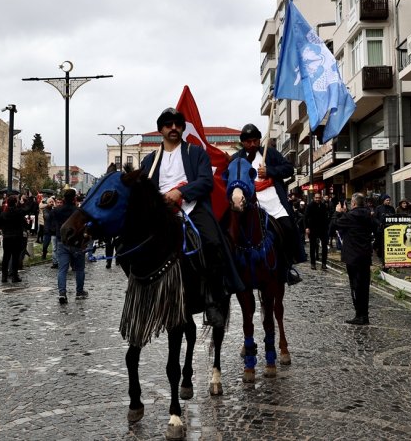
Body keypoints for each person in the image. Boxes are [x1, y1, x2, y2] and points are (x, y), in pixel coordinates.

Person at [140, 108, 244, 326]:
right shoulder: (149, 161)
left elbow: (206, 181)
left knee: (214, 242)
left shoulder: (196, 153)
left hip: (192, 207)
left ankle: (212, 299)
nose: (174, 128)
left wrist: (180, 192)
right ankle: (143, 296)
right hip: (160, 213)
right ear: (161, 129)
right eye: (168, 125)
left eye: (177, 124)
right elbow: (143, 190)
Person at [230, 123, 306, 283]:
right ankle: (232, 270)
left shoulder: (269, 153)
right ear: (243, 142)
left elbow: (289, 168)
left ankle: (286, 266)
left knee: (288, 228)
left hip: (272, 201)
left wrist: (270, 171)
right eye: (248, 141)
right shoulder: (236, 159)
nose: (252, 144)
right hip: (249, 202)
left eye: (255, 140)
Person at [332, 193, 374, 325]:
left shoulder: (350, 216)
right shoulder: (368, 214)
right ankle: (364, 314)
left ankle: (359, 315)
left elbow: (334, 225)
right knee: (364, 286)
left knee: (355, 285)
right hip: (365, 254)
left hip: (353, 255)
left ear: (354, 204)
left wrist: (337, 212)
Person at [53, 189, 87, 304]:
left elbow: (50, 220)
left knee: (62, 270)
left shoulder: (57, 210)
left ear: (63, 198)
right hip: (77, 243)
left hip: (62, 242)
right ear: (74, 199)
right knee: (80, 269)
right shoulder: (79, 211)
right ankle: (79, 291)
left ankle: (62, 293)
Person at [0, 195, 28, 283]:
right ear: (15, 202)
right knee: (15, 257)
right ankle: (14, 276)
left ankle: (4, 277)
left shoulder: (4, 214)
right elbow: (24, 223)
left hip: (7, 237)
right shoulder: (19, 212)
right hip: (17, 237)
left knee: (6, 257)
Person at [305, 192, 330, 270]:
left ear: (321, 198)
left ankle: (324, 264)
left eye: (319, 197)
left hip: (323, 229)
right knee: (312, 246)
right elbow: (305, 217)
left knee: (324, 247)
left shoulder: (323, 206)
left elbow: (326, 217)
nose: (317, 199)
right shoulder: (309, 206)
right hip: (313, 228)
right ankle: (313, 263)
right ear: (314, 198)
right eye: (316, 197)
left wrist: (327, 227)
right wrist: (306, 228)